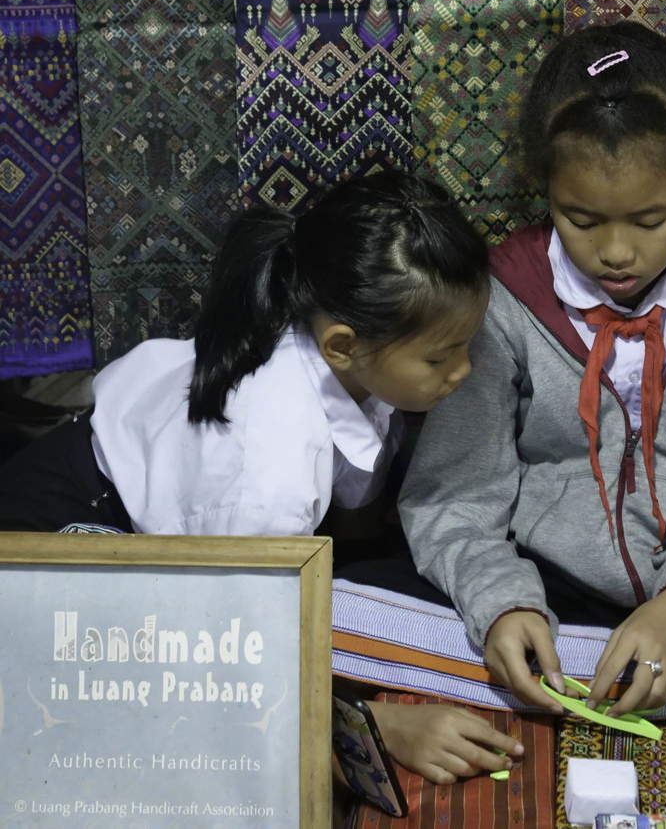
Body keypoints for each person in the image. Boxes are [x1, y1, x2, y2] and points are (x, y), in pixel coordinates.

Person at [368, 20, 666, 722]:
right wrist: (501, 606)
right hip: (540, 586)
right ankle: (564, 675)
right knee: (345, 613)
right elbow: (455, 497)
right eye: (580, 219)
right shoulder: (499, 297)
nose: (616, 252)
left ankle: (595, 686)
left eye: (650, 220)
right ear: (545, 188)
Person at [0, 169, 523, 783]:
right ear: (342, 346)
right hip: (61, 527)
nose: (464, 371)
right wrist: (377, 728)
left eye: (469, 344)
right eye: (442, 356)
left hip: (131, 491)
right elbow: (219, 654)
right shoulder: (266, 479)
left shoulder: (328, 327)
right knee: (116, 718)